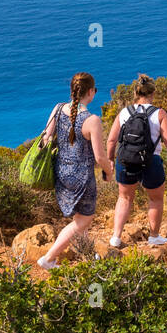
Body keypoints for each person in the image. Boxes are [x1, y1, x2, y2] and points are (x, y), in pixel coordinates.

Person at [39, 72, 112, 270]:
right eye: (94, 90)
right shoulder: (92, 120)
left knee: (79, 218)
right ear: (90, 92)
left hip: (61, 174)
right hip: (82, 178)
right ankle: (49, 258)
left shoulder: (58, 108)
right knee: (83, 221)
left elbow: (46, 138)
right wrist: (109, 170)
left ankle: (87, 254)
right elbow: (99, 157)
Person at [106, 74, 167, 249]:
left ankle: (116, 237)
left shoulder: (124, 112)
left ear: (136, 92)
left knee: (124, 198)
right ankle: (154, 237)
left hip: (125, 160)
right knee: (155, 199)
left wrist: (110, 160)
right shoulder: (159, 113)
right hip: (151, 161)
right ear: (153, 93)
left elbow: (111, 140)